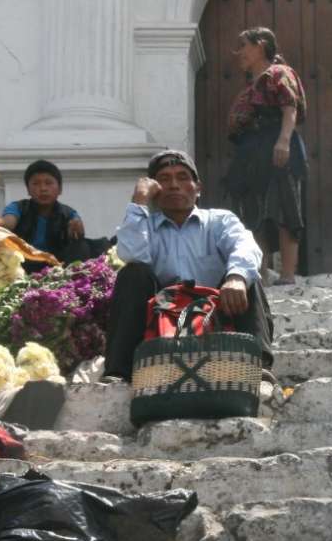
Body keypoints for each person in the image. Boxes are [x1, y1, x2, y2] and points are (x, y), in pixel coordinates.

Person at [102, 150, 273, 382]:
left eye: (183, 177)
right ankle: (118, 372)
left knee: (245, 275)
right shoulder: (145, 227)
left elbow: (245, 246)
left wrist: (236, 278)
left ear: (198, 188)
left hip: (216, 312)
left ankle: (257, 365)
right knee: (132, 273)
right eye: (164, 179)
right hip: (162, 318)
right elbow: (132, 255)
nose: (174, 185)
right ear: (154, 191)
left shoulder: (219, 220)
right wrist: (139, 201)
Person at [222, 27, 307, 285]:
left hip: (275, 144)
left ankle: (288, 274)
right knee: (253, 211)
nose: (239, 54)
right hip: (252, 152)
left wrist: (283, 141)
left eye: (244, 47)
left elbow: (289, 109)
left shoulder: (279, 74)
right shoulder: (251, 87)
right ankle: (260, 273)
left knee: (284, 206)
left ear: (260, 46)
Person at [0, 159, 85, 260]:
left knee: (84, 246)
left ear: (60, 189)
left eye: (48, 183)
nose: (43, 188)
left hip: (56, 266)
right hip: (23, 262)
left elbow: (78, 230)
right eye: (36, 184)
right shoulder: (18, 207)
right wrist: (0, 223)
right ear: (28, 189)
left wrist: (77, 229)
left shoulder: (68, 213)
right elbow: (8, 222)